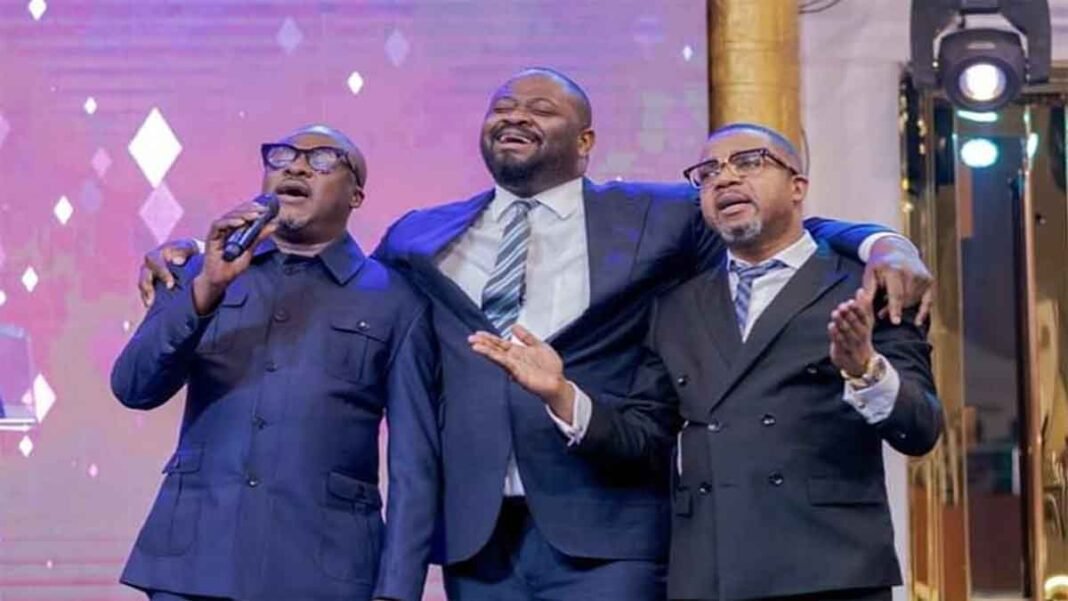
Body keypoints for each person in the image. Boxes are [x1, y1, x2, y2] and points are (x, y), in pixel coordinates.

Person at [138, 69, 933, 600]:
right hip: (480, 538)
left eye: (541, 109)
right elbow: (314, 256)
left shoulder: (654, 215)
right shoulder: (420, 235)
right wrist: (177, 258)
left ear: (585, 141)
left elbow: (762, 221)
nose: (516, 117)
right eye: (502, 110)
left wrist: (876, 240)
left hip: (608, 529)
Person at [472, 122, 942, 601]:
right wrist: (561, 393)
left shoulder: (867, 287)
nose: (726, 177)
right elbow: (644, 435)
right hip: (710, 576)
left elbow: (920, 428)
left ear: (798, 186)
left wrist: (865, 369)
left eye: (749, 162)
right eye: (709, 171)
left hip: (832, 571)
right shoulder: (677, 306)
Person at [111, 125, 438, 601]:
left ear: (356, 196)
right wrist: (206, 289)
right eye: (283, 157)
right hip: (193, 564)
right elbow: (133, 387)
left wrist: (396, 592)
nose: (298, 166)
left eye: (324, 160)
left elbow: (414, 465)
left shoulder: (395, 300)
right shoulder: (203, 270)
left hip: (323, 573)